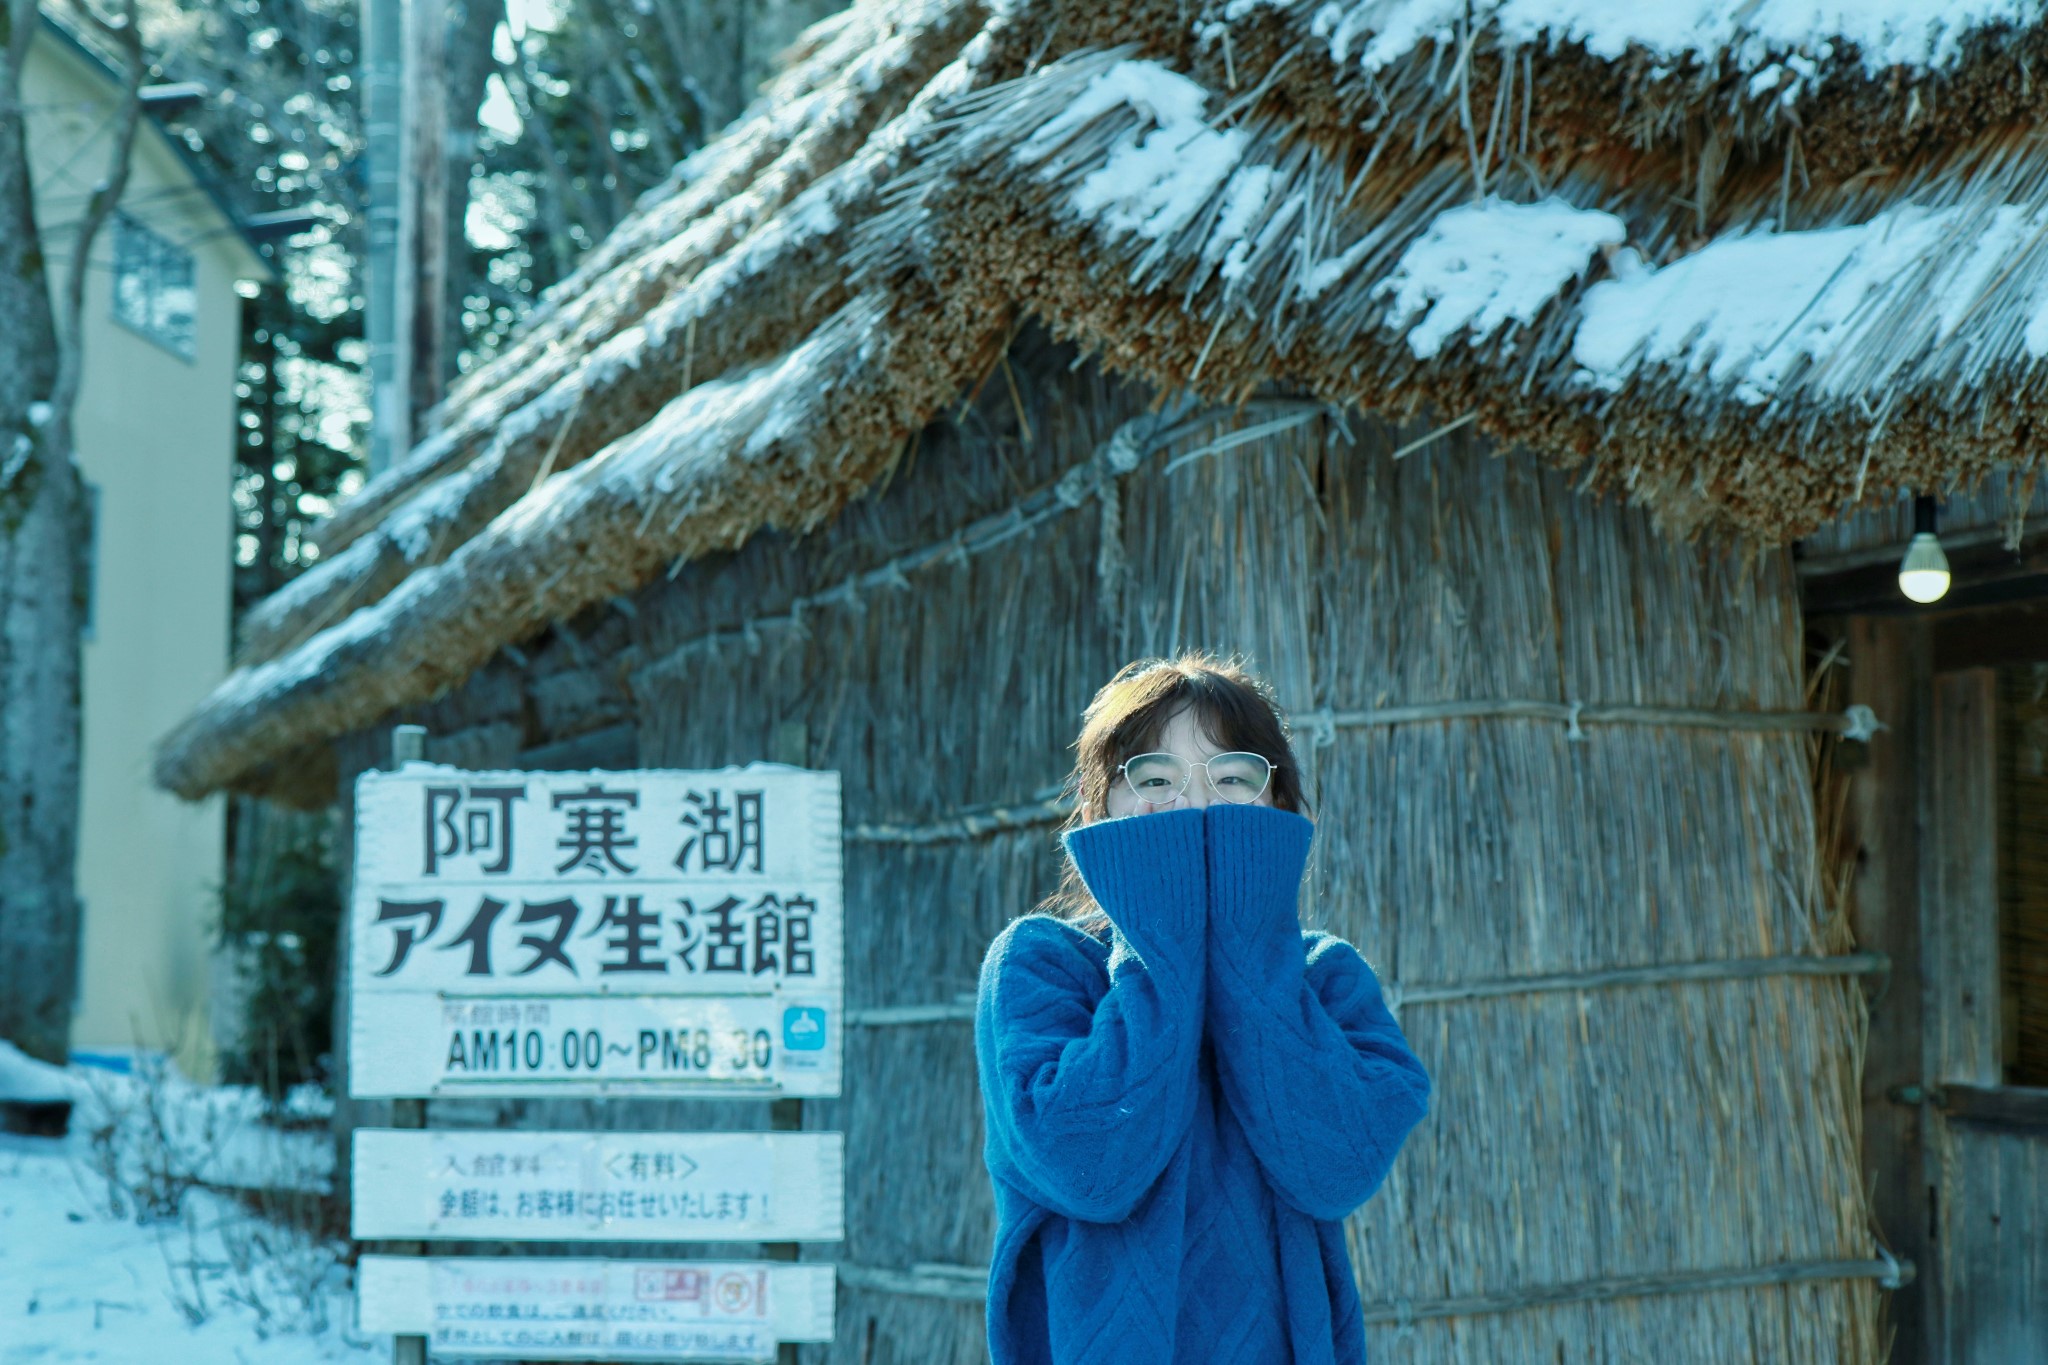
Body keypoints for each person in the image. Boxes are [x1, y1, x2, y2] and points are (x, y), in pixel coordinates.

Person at [974, 650, 1431, 1365]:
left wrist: (1247, 946)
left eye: (1232, 778)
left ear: (1279, 809)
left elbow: (1334, 1167)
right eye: (1153, 779)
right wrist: (1164, 936)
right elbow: (1093, 1167)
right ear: (1100, 810)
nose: (1192, 805)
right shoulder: (1041, 967)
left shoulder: (1325, 978)